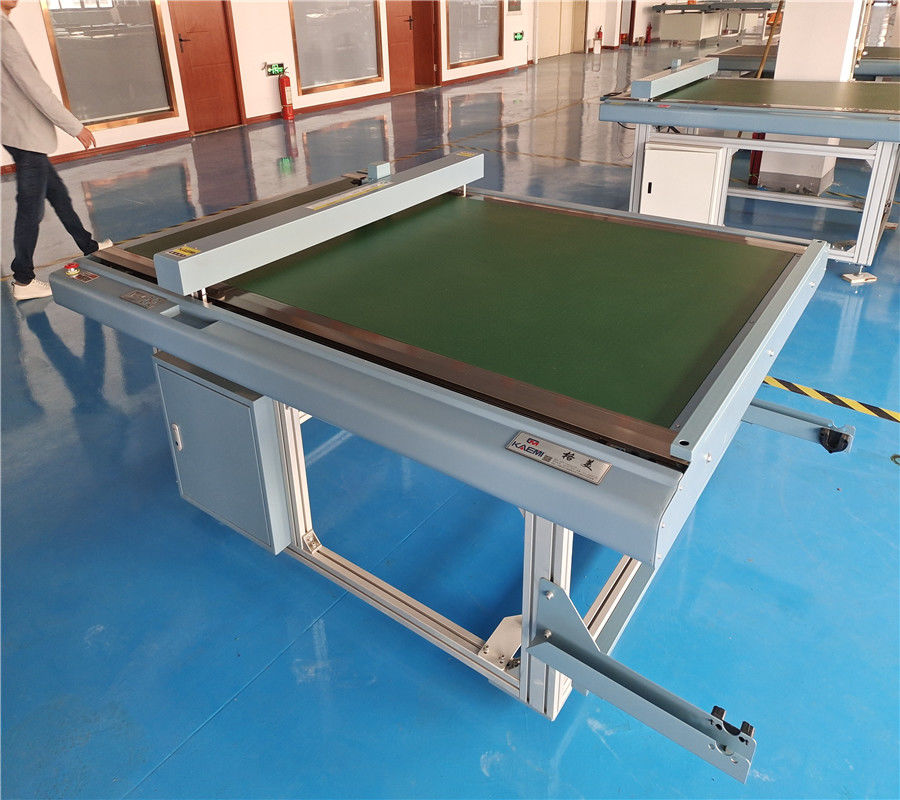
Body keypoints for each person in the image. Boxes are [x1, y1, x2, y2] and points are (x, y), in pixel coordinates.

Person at [1, 0, 111, 301]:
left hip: (16, 130)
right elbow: (34, 87)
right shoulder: (2, 30)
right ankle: (23, 279)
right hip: (26, 134)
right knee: (30, 209)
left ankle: (88, 246)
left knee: (58, 194)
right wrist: (75, 126)